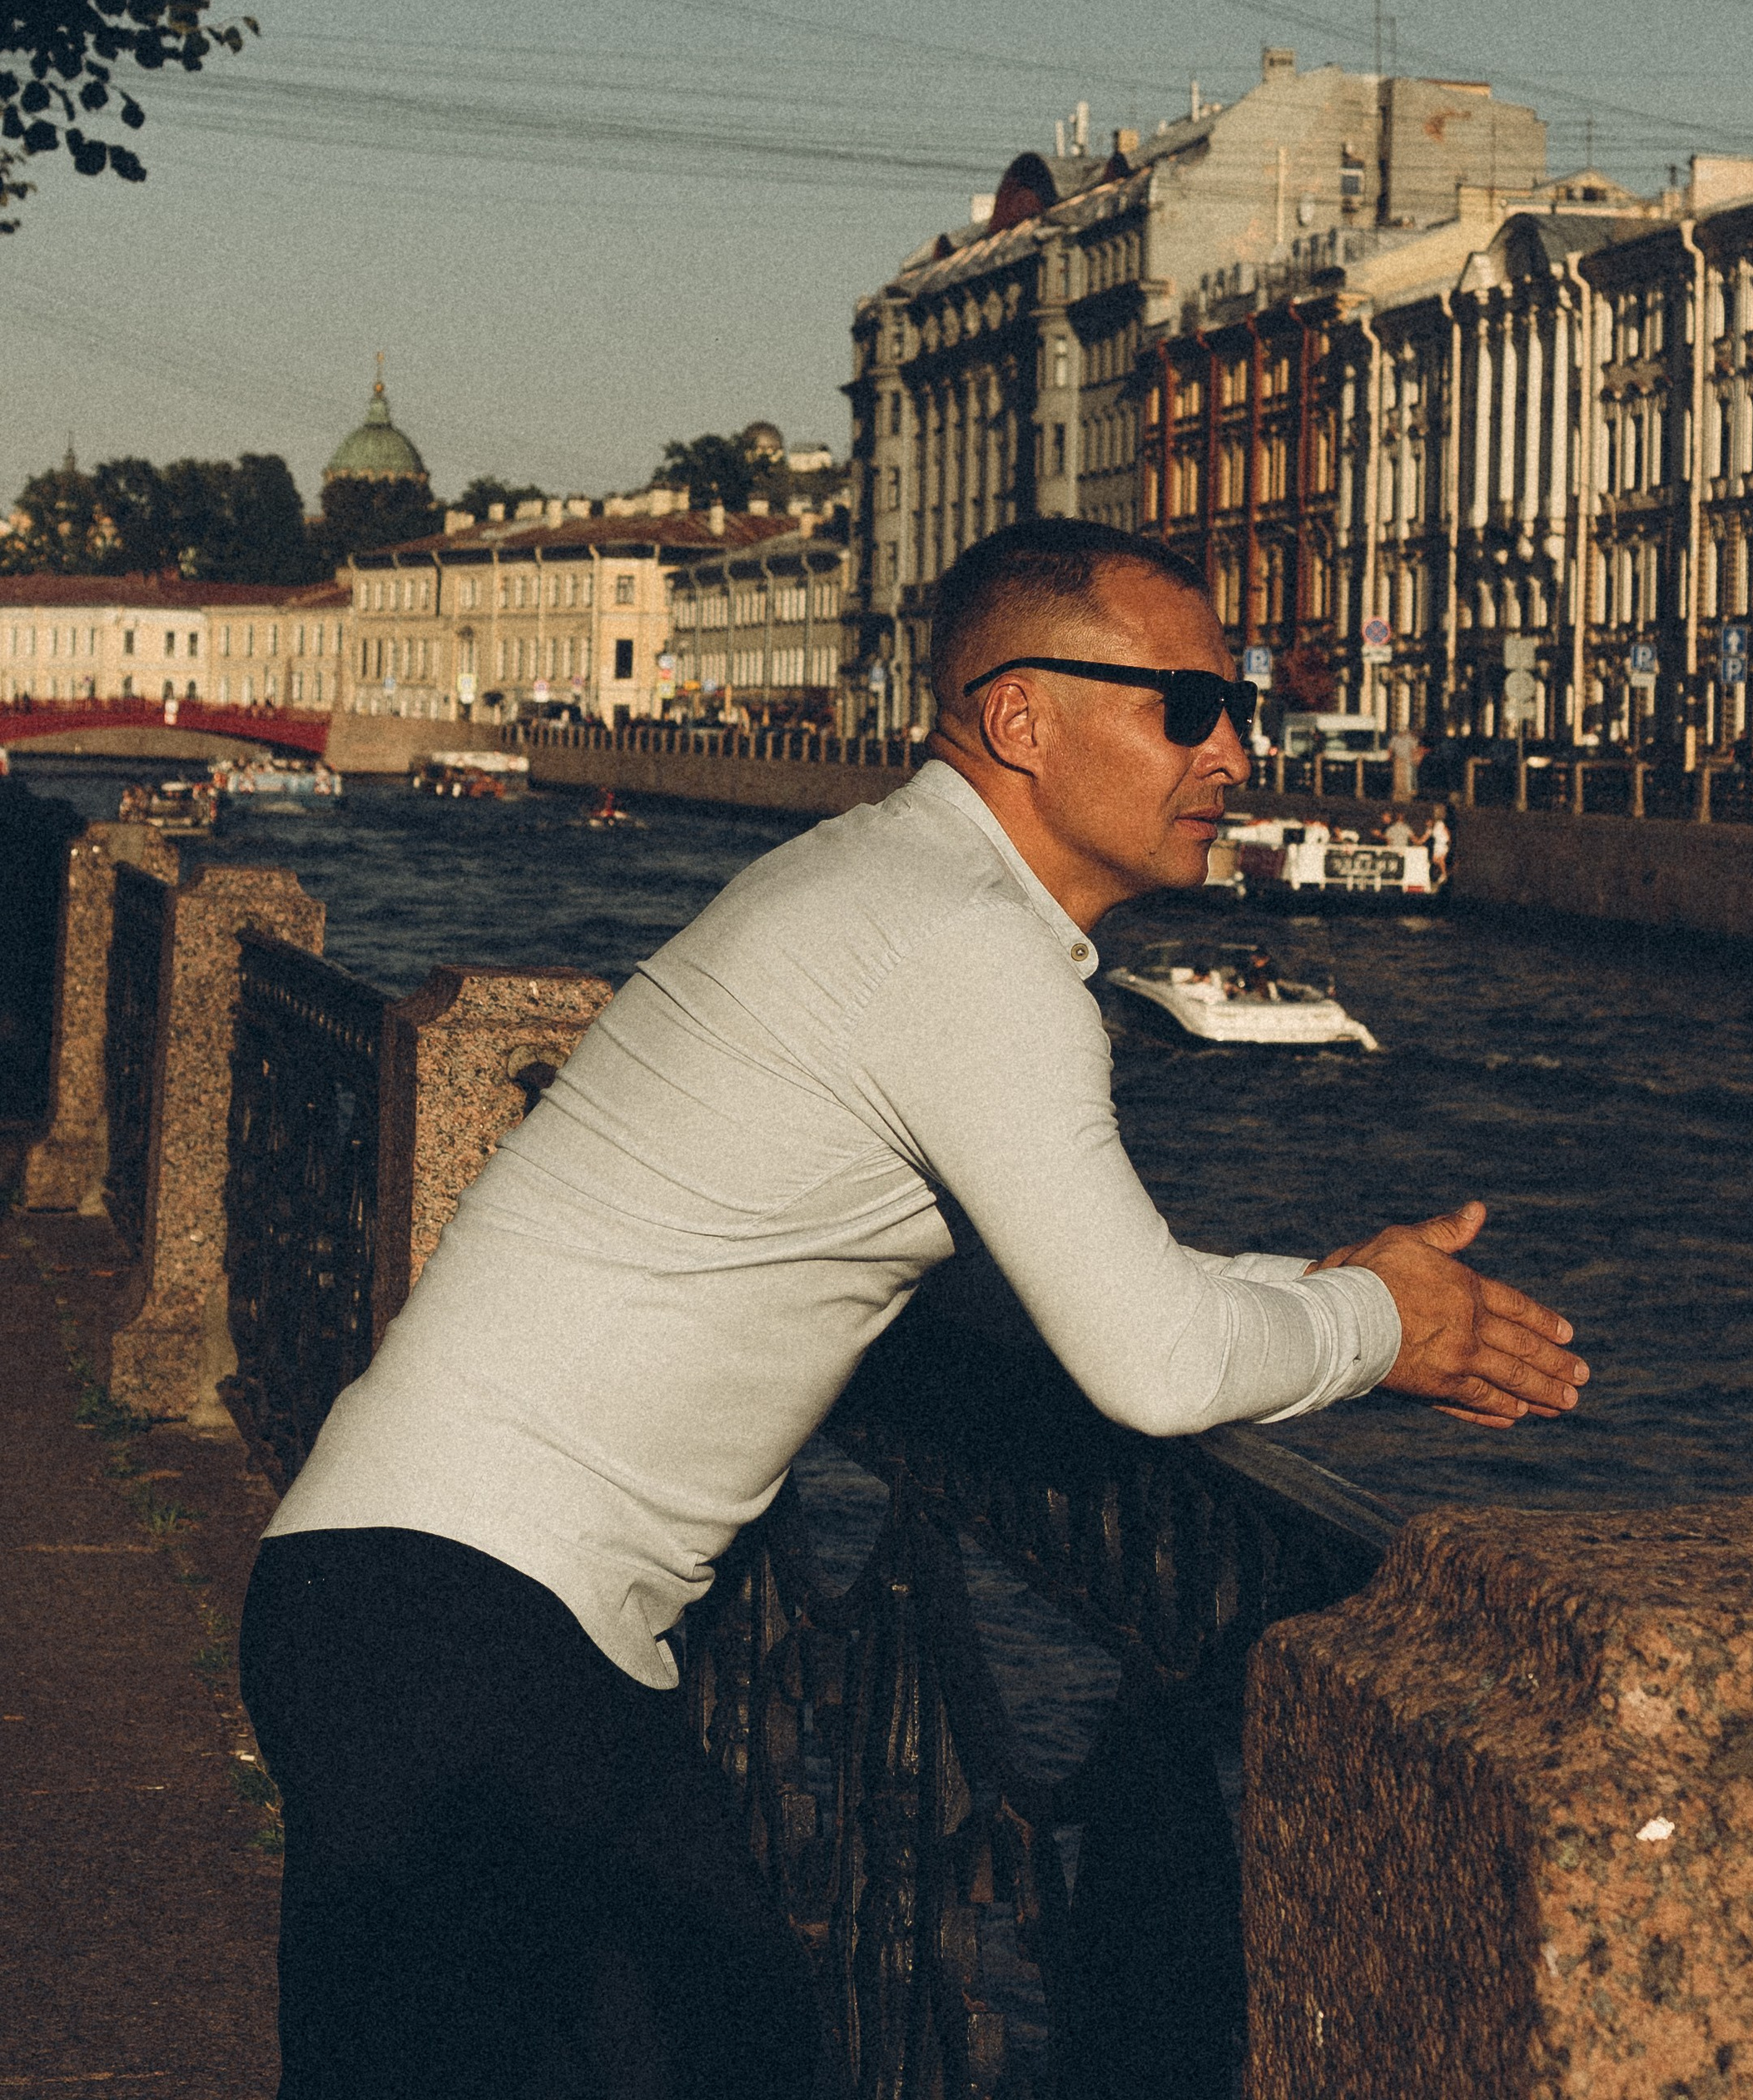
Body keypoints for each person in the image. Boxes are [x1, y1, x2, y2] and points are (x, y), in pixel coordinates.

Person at [241, 519, 1586, 2098]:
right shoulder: (964, 947)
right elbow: (1150, 1365)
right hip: (464, 1628)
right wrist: (1380, 1331)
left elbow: (1100, 1282)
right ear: (1021, 717)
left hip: (414, 1599)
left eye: (1242, 712)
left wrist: (1345, 1294)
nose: (1235, 752)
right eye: (1190, 708)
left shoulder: (892, 889)